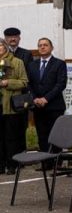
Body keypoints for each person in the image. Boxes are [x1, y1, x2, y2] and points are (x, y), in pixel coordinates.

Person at [28, 38, 67, 165]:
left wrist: (46, 98)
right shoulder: (32, 65)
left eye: (45, 45)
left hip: (54, 106)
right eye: (40, 45)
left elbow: (60, 84)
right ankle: (46, 163)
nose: (42, 47)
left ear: (51, 48)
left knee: (55, 135)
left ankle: (57, 162)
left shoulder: (59, 64)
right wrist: (34, 98)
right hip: (38, 106)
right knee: (42, 135)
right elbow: (29, 85)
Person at [0, 39, 28, 174]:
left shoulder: (17, 62)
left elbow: (24, 82)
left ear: (5, 47)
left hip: (9, 106)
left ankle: (12, 165)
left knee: (11, 137)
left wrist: (7, 82)